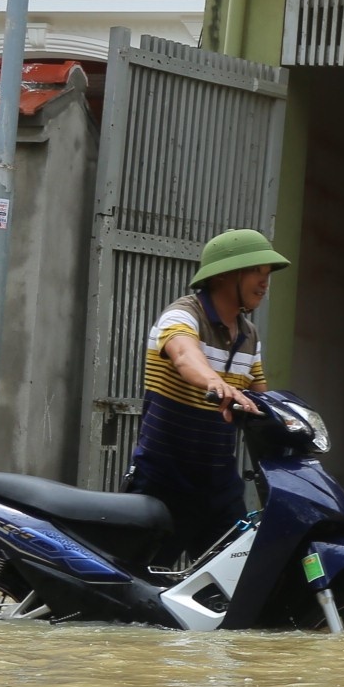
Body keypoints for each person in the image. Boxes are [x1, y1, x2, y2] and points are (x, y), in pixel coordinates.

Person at [129, 228, 288, 560]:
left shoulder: (249, 334)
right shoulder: (183, 315)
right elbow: (185, 355)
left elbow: (262, 396)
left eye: (267, 274)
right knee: (146, 585)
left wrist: (289, 423)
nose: (265, 282)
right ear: (224, 276)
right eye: (256, 272)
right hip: (164, 478)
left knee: (228, 578)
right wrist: (215, 383)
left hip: (218, 482)